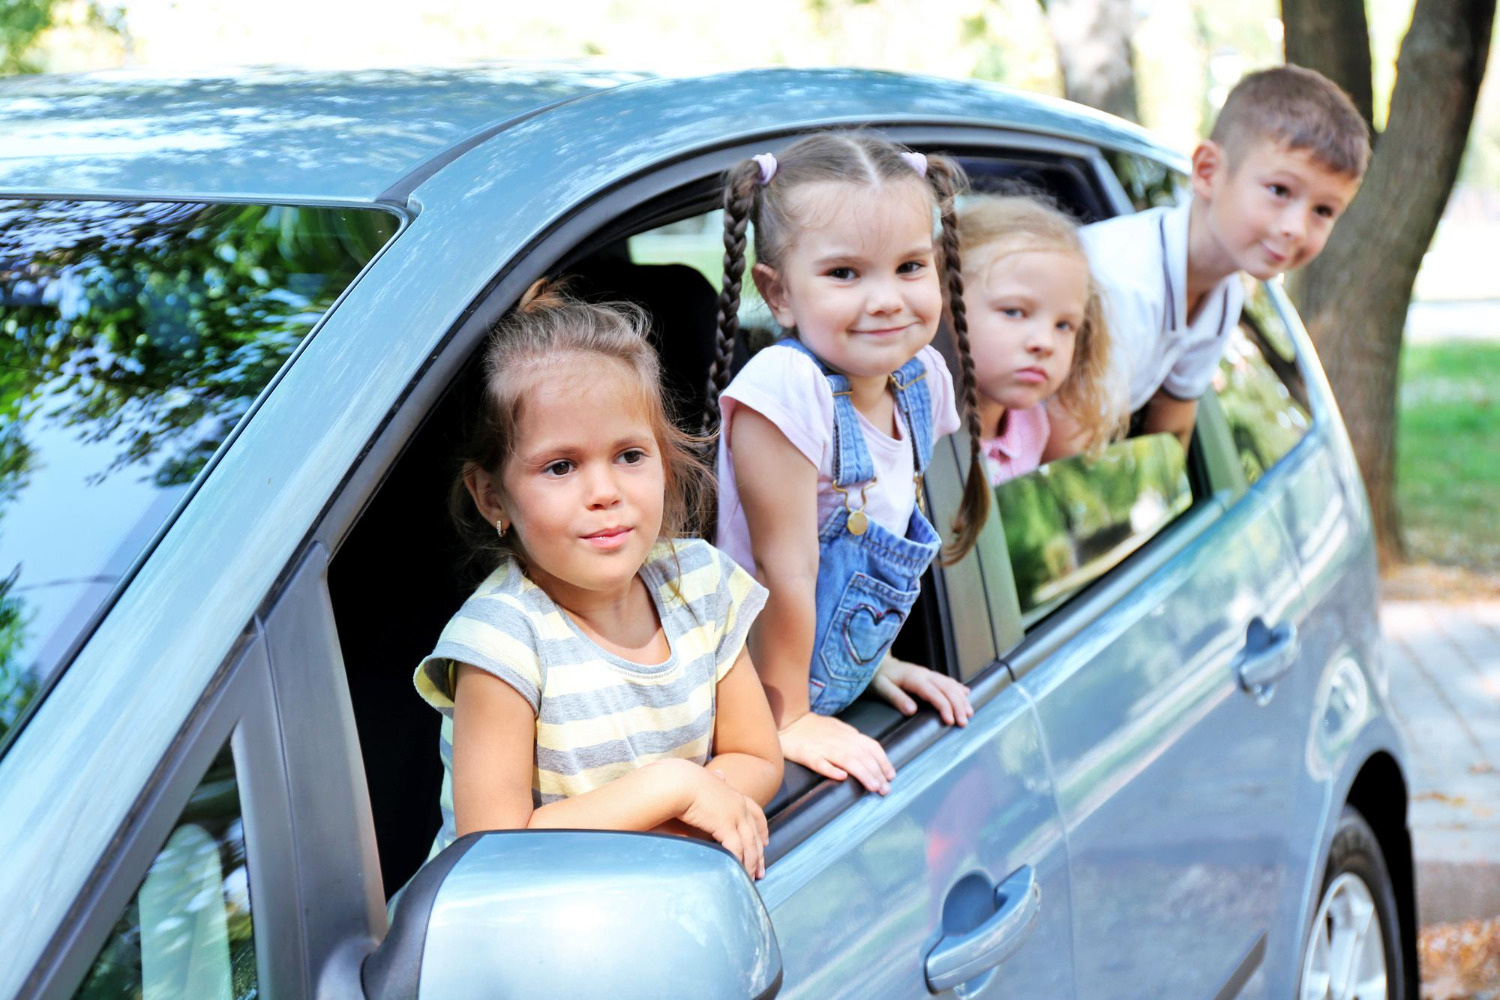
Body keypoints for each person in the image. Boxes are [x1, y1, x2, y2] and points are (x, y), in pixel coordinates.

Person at [413, 282, 783, 880]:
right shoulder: (502, 642)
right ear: (491, 497)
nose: (605, 492)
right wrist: (674, 791)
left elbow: (757, 756)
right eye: (561, 467)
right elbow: (494, 851)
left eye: (630, 455)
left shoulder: (701, 585)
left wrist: (681, 814)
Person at [706, 132, 988, 797]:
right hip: (751, 693)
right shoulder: (786, 388)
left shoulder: (920, 379)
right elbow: (788, 568)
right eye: (844, 274)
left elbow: (882, 514)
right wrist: (791, 717)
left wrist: (872, 660)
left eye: (910, 267)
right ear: (777, 293)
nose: (887, 298)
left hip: (830, 667)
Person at [1056, 64, 1369, 456]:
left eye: (1323, 211)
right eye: (1279, 190)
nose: (1297, 228)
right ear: (1207, 172)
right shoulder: (1122, 286)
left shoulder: (1222, 295)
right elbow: (1064, 452)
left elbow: (1172, 434)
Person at [959, 194, 1120, 483]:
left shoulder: (1033, 426)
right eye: (1014, 311)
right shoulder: (899, 427)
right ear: (944, 302)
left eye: (1064, 325)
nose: (1045, 343)